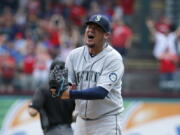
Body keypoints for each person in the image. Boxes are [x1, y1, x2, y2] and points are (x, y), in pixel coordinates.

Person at [50, 14, 125, 135]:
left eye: (97, 28)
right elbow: (65, 86)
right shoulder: (74, 55)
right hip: (81, 122)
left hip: (107, 120)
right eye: (89, 27)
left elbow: (101, 92)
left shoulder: (114, 58)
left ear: (106, 35)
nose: (91, 30)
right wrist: (58, 88)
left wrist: (69, 94)